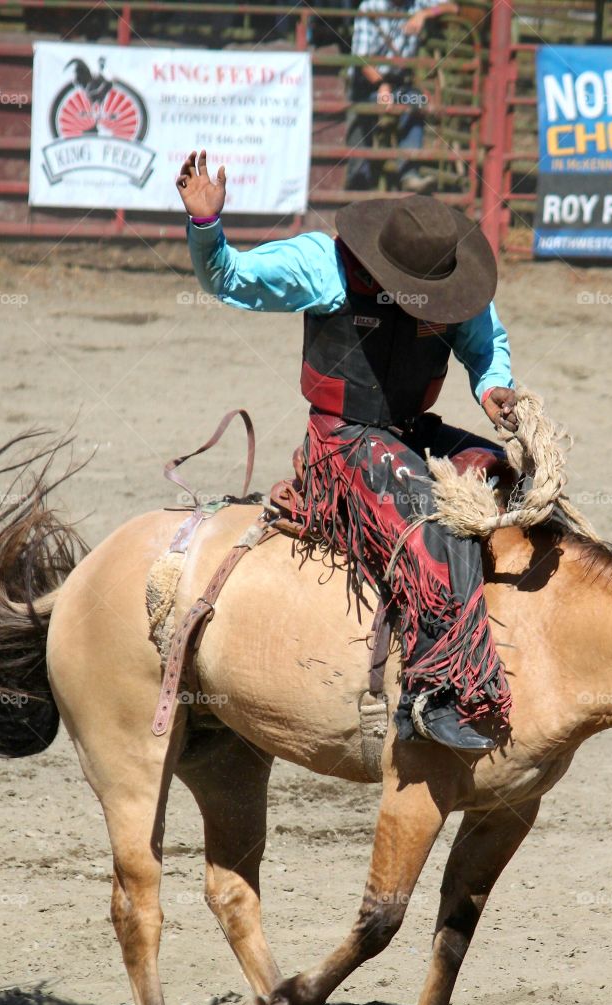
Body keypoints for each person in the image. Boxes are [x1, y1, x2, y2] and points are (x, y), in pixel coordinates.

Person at [176, 150, 519, 753]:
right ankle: (434, 686)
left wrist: (493, 388)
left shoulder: (449, 277)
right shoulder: (322, 265)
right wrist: (207, 227)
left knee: (500, 475)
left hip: (411, 428)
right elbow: (229, 278)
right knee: (430, 521)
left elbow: (485, 343)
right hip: (344, 437)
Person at [346, 0, 458, 193]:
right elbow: (361, 59)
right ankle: (358, 184)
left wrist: (425, 14)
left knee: (417, 102)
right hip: (367, 83)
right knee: (361, 119)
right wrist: (381, 85)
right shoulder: (370, 7)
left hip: (399, 84)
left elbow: (453, 6)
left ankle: (408, 173)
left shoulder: (416, 4)